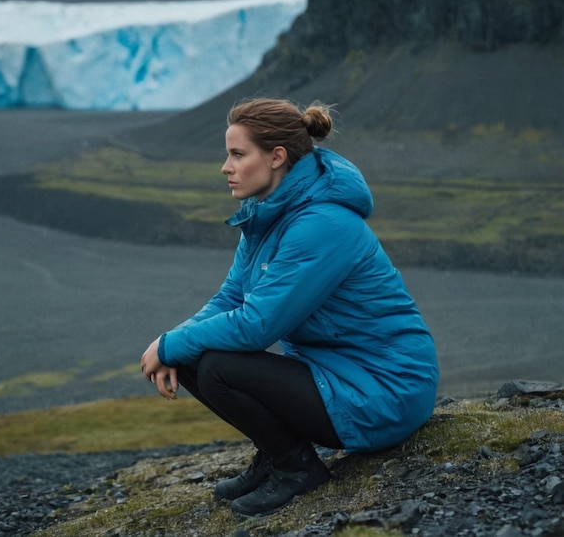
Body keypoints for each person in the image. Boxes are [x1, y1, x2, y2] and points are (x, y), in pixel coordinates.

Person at [141, 98, 439, 517]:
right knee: (193, 354)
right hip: (338, 377)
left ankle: (296, 468)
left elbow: (257, 325)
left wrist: (170, 345)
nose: (225, 167)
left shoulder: (322, 224)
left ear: (277, 157)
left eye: (237, 154)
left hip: (387, 391)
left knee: (215, 365)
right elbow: (231, 298)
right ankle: (276, 451)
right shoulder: (265, 216)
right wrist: (169, 343)